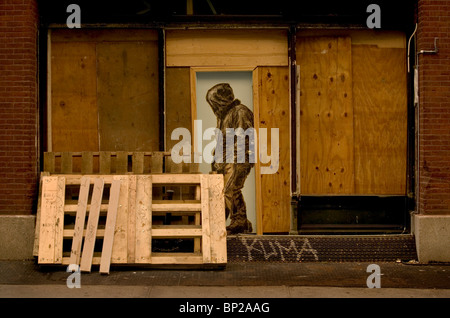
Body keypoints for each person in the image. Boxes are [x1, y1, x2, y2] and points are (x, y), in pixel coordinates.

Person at [206, 83, 254, 234]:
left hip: (238, 159)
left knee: (231, 190)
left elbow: (243, 138)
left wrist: (236, 159)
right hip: (227, 160)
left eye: (214, 102)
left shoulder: (240, 111)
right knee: (228, 191)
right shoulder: (224, 116)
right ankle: (239, 221)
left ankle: (240, 221)